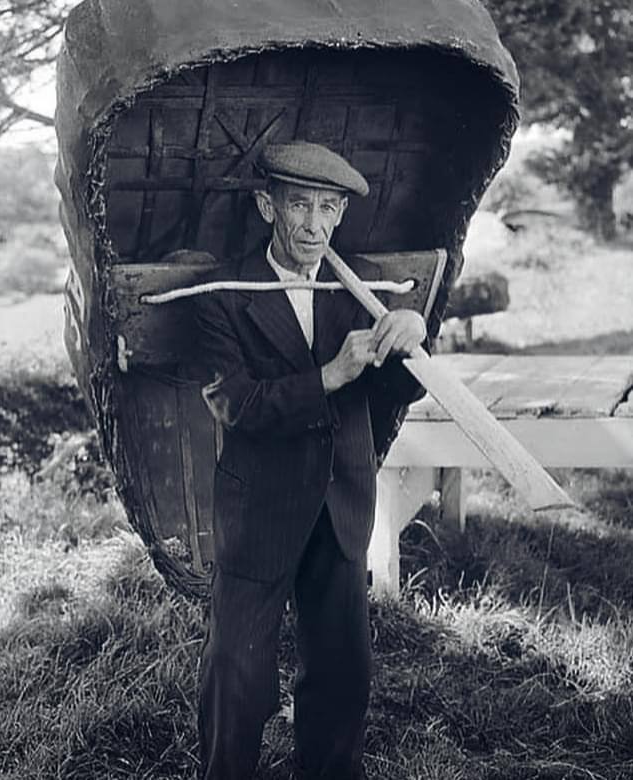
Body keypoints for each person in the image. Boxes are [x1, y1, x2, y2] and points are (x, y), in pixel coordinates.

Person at [194, 140, 427, 780]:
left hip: (338, 502)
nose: (315, 225)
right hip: (260, 507)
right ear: (268, 206)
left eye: (329, 209)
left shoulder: (359, 289)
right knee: (235, 677)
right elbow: (233, 403)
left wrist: (410, 345)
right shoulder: (223, 292)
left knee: (340, 674)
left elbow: (388, 391)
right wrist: (328, 375)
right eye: (300, 205)